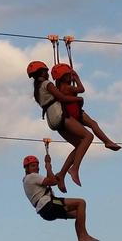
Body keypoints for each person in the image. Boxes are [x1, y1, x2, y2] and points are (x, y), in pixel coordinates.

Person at [27, 60, 93, 190]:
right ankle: (75, 169)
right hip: (60, 115)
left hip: (52, 120)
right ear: (42, 72)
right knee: (88, 137)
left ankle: (62, 174)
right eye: (46, 71)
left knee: (79, 144)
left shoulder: (37, 89)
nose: (48, 73)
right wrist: (77, 99)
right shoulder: (47, 84)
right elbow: (62, 98)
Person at [22, 154, 99, 241]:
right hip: (48, 205)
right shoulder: (31, 177)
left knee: (78, 214)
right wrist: (48, 166)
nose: (36, 167)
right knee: (81, 203)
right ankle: (83, 235)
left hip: (46, 211)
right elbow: (52, 181)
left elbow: (51, 180)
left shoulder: (29, 180)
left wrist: (55, 176)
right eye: (33, 166)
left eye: (37, 165)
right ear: (26, 168)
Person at [52, 63, 121, 152]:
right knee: (93, 124)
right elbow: (81, 89)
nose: (69, 76)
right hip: (74, 112)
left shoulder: (60, 88)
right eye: (67, 75)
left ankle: (107, 142)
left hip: (71, 111)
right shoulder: (67, 87)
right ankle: (107, 142)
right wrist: (77, 78)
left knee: (93, 124)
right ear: (62, 77)